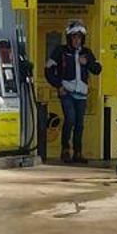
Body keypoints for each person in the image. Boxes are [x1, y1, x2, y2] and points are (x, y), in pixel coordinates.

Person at [45, 20, 101, 164]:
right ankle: (65, 150)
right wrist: (58, 85)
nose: (77, 40)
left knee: (79, 123)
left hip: (81, 93)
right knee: (70, 119)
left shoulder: (87, 53)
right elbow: (48, 69)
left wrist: (87, 62)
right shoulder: (61, 51)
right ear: (69, 38)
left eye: (79, 37)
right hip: (66, 92)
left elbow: (97, 69)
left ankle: (78, 152)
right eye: (74, 37)